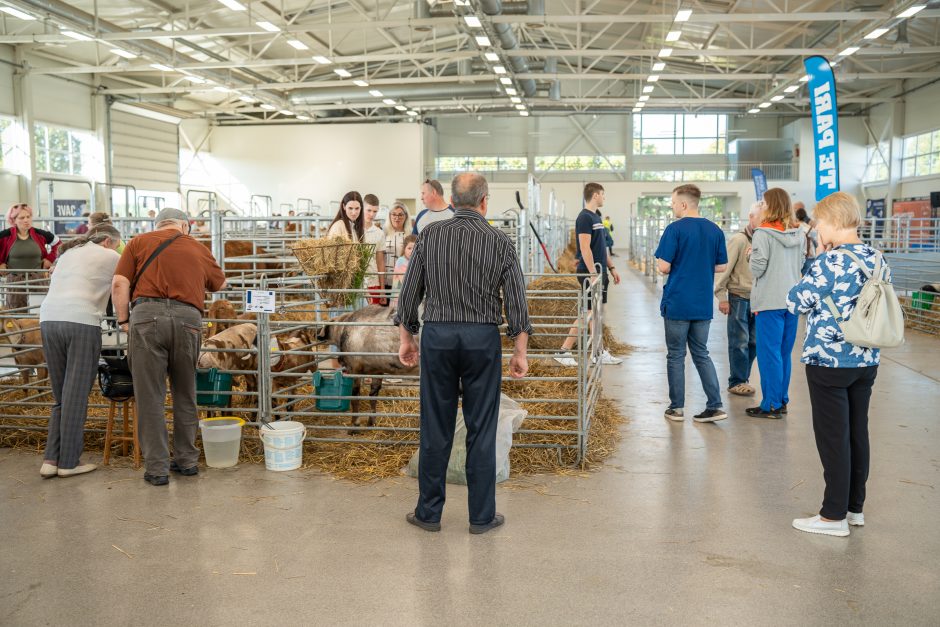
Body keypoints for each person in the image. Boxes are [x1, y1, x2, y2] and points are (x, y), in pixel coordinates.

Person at [396, 172, 530, 535]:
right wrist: (520, 350)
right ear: (485, 201)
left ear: (451, 201)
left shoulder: (429, 237)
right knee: (481, 427)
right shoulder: (500, 241)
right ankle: (481, 516)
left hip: (437, 337)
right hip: (481, 339)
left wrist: (407, 337)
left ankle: (428, 514)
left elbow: (409, 295)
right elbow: (516, 302)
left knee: (435, 426)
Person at [786, 192, 887, 537]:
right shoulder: (876, 257)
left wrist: (817, 261)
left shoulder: (830, 262)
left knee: (833, 438)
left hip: (829, 361)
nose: (816, 230)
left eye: (818, 224)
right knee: (857, 432)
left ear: (831, 222)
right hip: (866, 357)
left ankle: (832, 517)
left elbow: (796, 300)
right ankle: (854, 508)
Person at [111, 208, 226, 487]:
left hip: (146, 317)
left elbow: (118, 283)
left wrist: (124, 319)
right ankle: (187, 461)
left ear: (157, 224)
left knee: (150, 395)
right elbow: (221, 285)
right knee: (185, 393)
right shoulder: (197, 247)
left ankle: (157, 468)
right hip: (188, 319)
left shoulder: (138, 242)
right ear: (184, 226)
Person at [38, 224, 123, 479]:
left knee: (61, 395)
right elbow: (124, 284)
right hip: (82, 321)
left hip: (48, 320)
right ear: (108, 241)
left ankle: (51, 460)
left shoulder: (67, 254)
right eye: (117, 244)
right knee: (76, 395)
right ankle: (69, 462)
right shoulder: (111, 256)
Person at [654, 184, 728, 423]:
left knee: (676, 355)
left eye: (674, 202)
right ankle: (715, 405)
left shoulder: (674, 230)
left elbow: (663, 266)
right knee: (701, 353)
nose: (672, 206)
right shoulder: (715, 230)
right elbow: (721, 266)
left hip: (678, 301)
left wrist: (677, 265)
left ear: (684, 204)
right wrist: (699, 265)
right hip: (702, 303)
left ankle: (676, 408)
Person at [746, 188, 803, 419]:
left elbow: (758, 269)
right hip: (791, 300)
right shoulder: (798, 234)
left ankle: (770, 404)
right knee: (783, 353)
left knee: (769, 355)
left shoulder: (763, 233)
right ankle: (782, 400)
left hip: (769, 301)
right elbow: (800, 263)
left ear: (770, 206)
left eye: (763, 202)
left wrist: (750, 255)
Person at [554, 183, 622, 367]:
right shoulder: (584, 217)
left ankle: (596, 351)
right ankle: (564, 351)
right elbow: (584, 247)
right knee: (589, 313)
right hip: (589, 272)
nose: (604, 198)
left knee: (594, 313)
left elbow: (601, 248)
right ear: (595, 195)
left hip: (599, 271)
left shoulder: (595, 217)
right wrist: (592, 273)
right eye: (602, 194)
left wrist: (612, 268)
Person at [714, 202, 761, 396]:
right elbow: (724, 268)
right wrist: (721, 296)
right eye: (762, 218)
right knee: (739, 342)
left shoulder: (764, 240)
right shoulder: (739, 240)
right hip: (739, 298)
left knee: (754, 342)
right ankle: (737, 380)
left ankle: (743, 377)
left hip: (758, 299)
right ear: (751, 217)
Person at [1, 203, 60, 310]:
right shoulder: (5, 235)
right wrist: (0, 264)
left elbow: (58, 243)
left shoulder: (39, 234)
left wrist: (50, 259)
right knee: (16, 313)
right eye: (22, 218)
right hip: (15, 282)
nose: (26, 220)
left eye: (28, 217)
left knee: (39, 312)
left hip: (37, 280)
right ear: (13, 220)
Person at [362, 194, 387, 305]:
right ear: (362, 208)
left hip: (373, 283)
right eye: (369, 210)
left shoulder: (379, 233)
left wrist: (382, 290)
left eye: (375, 211)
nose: (372, 214)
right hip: (356, 284)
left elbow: (380, 261)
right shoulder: (352, 230)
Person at [390, 234, 417, 308]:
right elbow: (405, 281)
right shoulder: (401, 261)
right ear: (404, 249)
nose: (412, 251)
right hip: (399, 299)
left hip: (411, 298)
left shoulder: (416, 262)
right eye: (409, 248)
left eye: (415, 248)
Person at [384, 202, 410, 271]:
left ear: (406, 216)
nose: (397, 218)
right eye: (394, 214)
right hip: (386, 276)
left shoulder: (410, 235)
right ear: (389, 216)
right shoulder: (384, 234)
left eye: (400, 215)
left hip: (404, 277)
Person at [794, 203, 818, 276]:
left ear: (796, 217)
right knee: (809, 277)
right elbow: (817, 242)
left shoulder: (793, 228)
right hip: (809, 255)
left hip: (796, 256)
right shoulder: (810, 228)